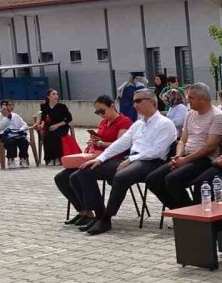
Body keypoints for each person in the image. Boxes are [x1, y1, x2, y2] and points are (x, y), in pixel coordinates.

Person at [73, 89, 178, 235]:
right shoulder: (138, 124)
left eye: (139, 101)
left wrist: (131, 159)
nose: (135, 105)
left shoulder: (165, 123)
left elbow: (158, 151)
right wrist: (100, 158)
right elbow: (121, 143)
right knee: (85, 171)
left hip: (151, 162)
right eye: (134, 101)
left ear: (152, 102)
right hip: (132, 160)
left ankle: (106, 219)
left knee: (121, 177)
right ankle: (98, 215)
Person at [145, 83, 222, 210]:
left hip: (205, 159)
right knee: (152, 179)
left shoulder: (217, 116)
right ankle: (181, 210)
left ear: (203, 99)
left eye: (191, 98)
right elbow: (182, 141)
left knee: (172, 179)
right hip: (185, 156)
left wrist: (184, 160)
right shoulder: (190, 114)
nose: (187, 100)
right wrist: (179, 155)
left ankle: (189, 213)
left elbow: (210, 146)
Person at [55, 95, 133, 226]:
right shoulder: (103, 122)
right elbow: (100, 140)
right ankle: (84, 211)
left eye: (102, 111)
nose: (101, 115)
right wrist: (94, 141)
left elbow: (120, 145)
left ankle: (99, 213)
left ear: (112, 106)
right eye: (98, 112)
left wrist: (101, 143)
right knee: (62, 177)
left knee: (80, 175)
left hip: (115, 159)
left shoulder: (124, 121)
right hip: (98, 157)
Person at [35, 88, 72, 166]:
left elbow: (69, 118)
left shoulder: (62, 106)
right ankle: (50, 158)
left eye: (57, 94)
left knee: (56, 136)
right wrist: (41, 125)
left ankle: (58, 158)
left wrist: (57, 125)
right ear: (48, 96)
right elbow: (43, 118)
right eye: (54, 94)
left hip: (61, 126)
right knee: (47, 137)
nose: (56, 96)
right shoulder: (44, 106)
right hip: (50, 127)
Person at [0, 100, 31, 168]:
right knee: (10, 141)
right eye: (9, 105)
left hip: (17, 134)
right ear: (3, 106)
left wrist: (20, 129)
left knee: (24, 140)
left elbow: (24, 124)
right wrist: (6, 117)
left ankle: (23, 158)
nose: (11, 106)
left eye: (12, 105)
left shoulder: (16, 116)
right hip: (4, 135)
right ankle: (11, 159)